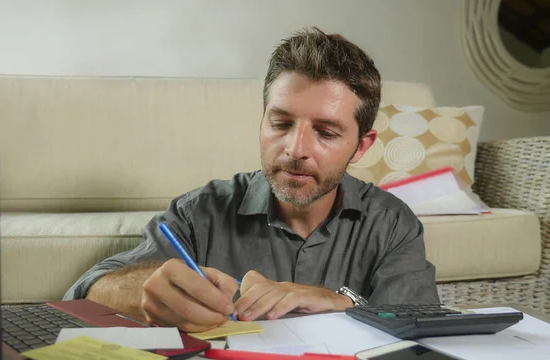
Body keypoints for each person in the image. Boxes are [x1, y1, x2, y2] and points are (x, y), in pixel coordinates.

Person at [64, 27, 439, 332]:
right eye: (281, 123)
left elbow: (421, 328)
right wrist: (145, 288)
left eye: (325, 132)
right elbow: (82, 294)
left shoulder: (392, 223)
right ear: (262, 121)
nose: (296, 148)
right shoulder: (201, 212)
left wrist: (343, 303)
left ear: (361, 146)